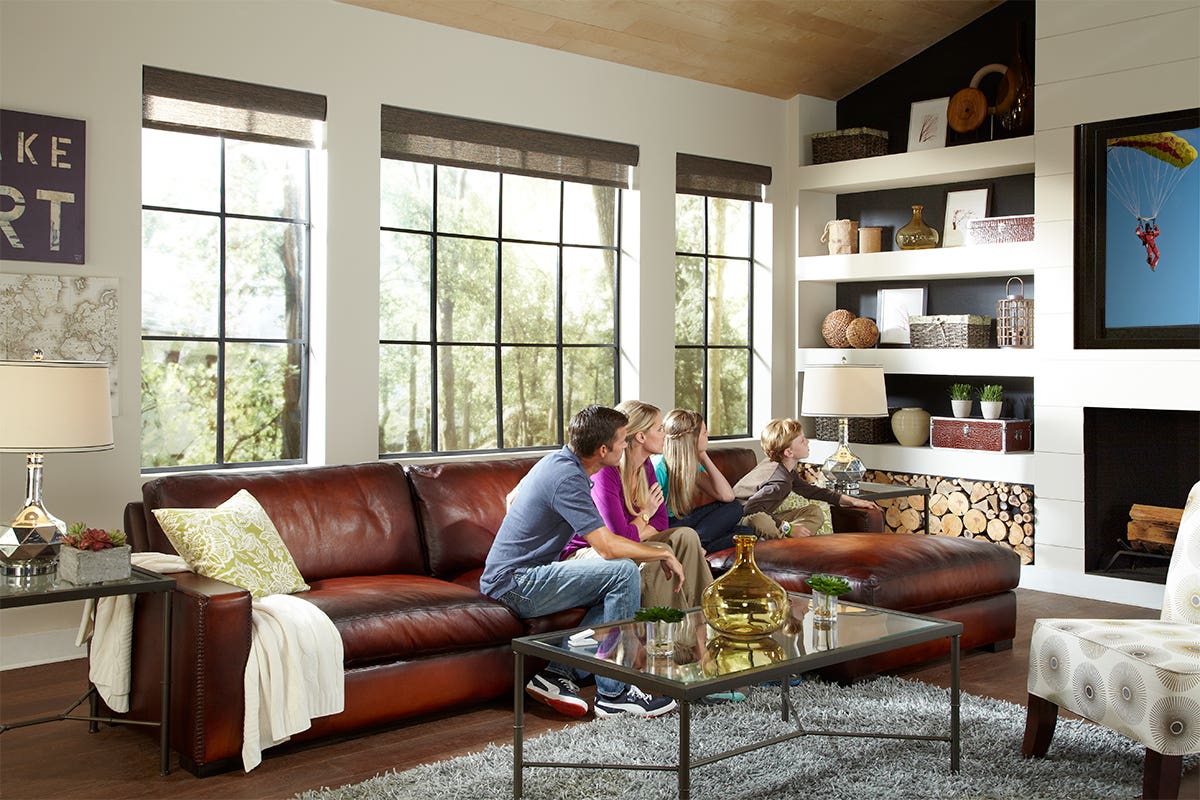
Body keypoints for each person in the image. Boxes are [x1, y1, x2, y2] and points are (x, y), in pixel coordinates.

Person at [479, 404, 684, 720]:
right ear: (604, 449)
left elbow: (511, 498)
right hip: (516, 583)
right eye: (622, 441)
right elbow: (607, 548)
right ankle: (614, 693)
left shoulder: (560, 462)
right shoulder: (567, 478)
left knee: (619, 594)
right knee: (624, 571)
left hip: (524, 573)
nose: (626, 445)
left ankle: (556, 671)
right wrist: (664, 552)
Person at [561, 400, 714, 610]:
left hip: (622, 542)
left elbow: (660, 521)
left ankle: (701, 624)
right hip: (588, 551)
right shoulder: (607, 472)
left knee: (686, 536)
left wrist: (639, 526)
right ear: (641, 436)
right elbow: (618, 537)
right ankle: (659, 633)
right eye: (660, 429)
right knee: (658, 550)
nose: (665, 435)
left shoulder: (646, 466)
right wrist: (644, 515)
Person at [733, 418, 877, 537]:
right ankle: (787, 543)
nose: (807, 442)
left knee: (814, 512)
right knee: (762, 521)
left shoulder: (784, 469)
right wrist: (787, 528)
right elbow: (751, 508)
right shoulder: (779, 481)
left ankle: (790, 540)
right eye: (802, 441)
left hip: (762, 517)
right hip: (742, 520)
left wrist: (853, 501)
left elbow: (812, 491)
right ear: (789, 452)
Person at [652, 408, 753, 553]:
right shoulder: (659, 468)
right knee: (738, 522)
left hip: (684, 521)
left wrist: (703, 455)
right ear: (692, 438)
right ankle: (694, 545)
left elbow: (727, 496)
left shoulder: (691, 465)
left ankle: (695, 546)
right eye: (704, 432)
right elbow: (650, 520)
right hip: (665, 526)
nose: (708, 435)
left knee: (745, 530)